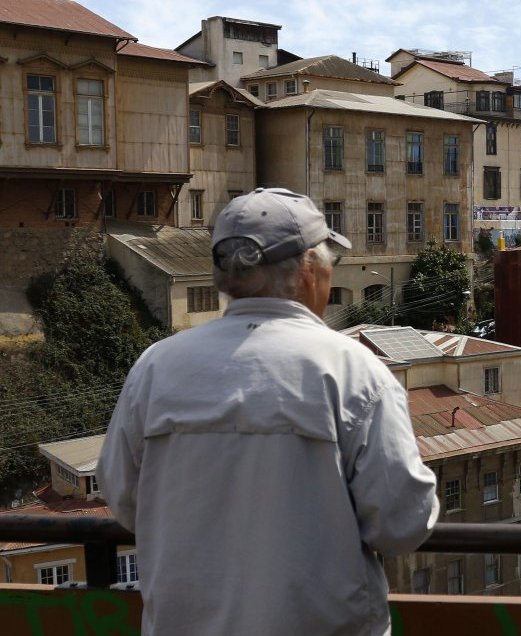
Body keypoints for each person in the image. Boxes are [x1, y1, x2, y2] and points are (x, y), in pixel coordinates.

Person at [98, 187, 439, 636]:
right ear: (308, 270)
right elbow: (401, 525)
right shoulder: (353, 371)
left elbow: (122, 497)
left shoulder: (157, 367)